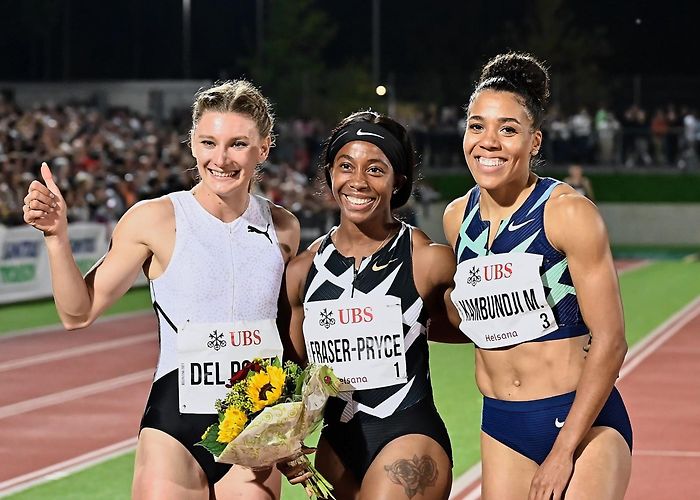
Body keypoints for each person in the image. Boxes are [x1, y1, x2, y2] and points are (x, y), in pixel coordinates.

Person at [22, 80, 300, 499]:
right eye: (209, 142)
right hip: (175, 428)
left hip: (252, 431)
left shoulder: (284, 228)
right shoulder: (154, 220)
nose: (220, 159)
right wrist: (57, 238)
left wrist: (291, 423)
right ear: (192, 144)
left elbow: (287, 337)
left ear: (264, 147)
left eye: (237, 144)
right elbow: (77, 313)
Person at [443, 53, 632, 500]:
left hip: (581, 421)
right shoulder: (457, 219)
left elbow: (611, 339)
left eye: (508, 129)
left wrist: (564, 451)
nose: (488, 141)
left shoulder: (566, 213)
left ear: (535, 142)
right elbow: (478, 318)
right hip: (503, 423)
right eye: (477, 126)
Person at [284, 110, 464, 499]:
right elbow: (290, 372)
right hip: (337, 448)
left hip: (406, 434)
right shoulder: (302, 272)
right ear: (330, 172)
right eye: (346, 166)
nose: (358, 182)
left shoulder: (429, 261)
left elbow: (484, 328)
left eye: (375, 170)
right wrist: (281, 440)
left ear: (398, 180)